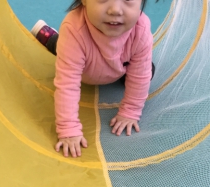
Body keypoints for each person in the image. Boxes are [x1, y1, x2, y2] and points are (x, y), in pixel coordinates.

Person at [31, 0, 156, 158]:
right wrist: (68, 128)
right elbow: (67, 84)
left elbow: (140, 75)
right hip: (83, 68)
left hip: (119, 67)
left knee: (147, 70)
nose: (115, 10)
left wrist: (130, 111)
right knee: (59, 46)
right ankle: (48, 35)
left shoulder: (141, 28)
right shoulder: (74, 29)